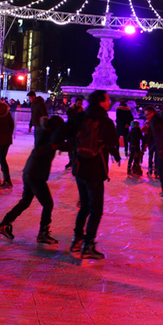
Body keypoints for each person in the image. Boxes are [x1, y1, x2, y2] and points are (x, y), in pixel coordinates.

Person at [60, 90, 119, 260]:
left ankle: (77, 240)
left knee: (84, 206)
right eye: (108, 99)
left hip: (80, 169)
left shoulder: (80, 118)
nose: (109, 102)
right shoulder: (105, 121)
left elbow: (62, 132)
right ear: (101, 102)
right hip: (96, 170)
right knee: (96, 209)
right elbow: (113, 140)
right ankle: (88, 245)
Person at [0, 115, 66, 244]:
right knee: (48, 204)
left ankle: (4, 224)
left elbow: (63, 145)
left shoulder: (48, 135)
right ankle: (43, 233)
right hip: (35, 176)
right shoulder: (46, 138)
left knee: (25, 202)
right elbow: (42, 149)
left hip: (30, 173)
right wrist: (52, 146)